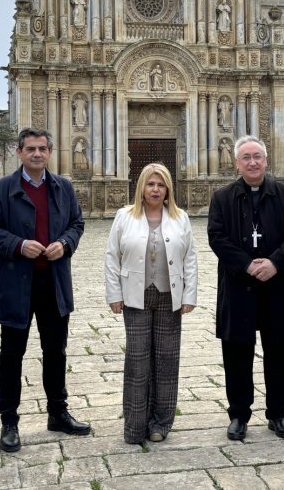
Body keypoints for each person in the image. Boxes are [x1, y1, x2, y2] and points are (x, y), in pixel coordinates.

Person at [0, 128, 90, 453]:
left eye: (42, 148)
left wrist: (65, 244)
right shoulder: (0, 189)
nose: (37, 154)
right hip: (16, 284)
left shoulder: (63, 188)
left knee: (56, 352)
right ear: (19, 151)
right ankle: (9, 422)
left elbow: (77, 224)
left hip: (53, 283)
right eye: (30, 149)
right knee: (12, 355)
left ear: (50, 152)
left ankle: (58, 413)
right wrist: (17, 244)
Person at [208, 135, 284, 441]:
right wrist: (247, 265)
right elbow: (217, 236)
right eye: (246, 157)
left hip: (278, 285)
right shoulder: (222, 197)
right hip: (239, 285)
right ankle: (239, 414)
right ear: (237, 163)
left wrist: (275, 262)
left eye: (257, 157)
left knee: (279, 352)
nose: (253, 162)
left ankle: (278, 414)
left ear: (266, 160)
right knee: (236, 352)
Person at [104, 163, 198, 444]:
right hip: (135, 297)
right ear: (141, 188)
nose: (155, 189)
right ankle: (134, 426)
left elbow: (190, 259)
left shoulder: (180, 218)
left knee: (167, 361)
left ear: (168, 188)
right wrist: (114, 294)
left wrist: (189, 295)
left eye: (160, 184)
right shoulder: (124, 217)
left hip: (170, 295)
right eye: (150, 184)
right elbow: (112, 257)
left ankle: (161, 423)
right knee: (137, 360)